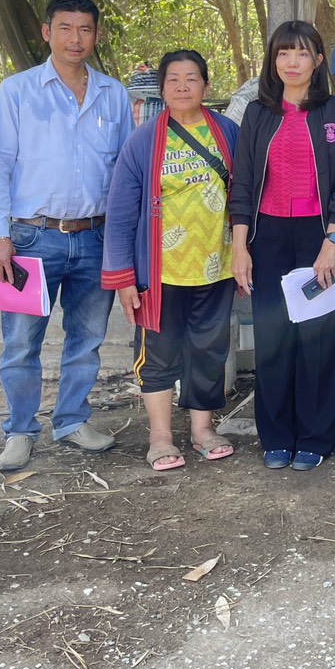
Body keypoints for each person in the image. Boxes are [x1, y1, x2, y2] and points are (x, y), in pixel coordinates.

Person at [0, 0, 135, 473]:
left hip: (95, 238)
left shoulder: (114, 94)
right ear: (47, 33)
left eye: (84, 29)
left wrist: (123, 238)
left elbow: (125, 172)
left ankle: (71, 420)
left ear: (97, 35)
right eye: (65, 28)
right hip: (30, 238)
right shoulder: (18, 91)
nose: (75, 38)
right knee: (22, 342)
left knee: (85, 338)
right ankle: (20, 430)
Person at [228, 21, 335, 472]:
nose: (291, 62)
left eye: (302, 53)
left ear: (318, 61)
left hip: (320, 236)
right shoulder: (258, 114)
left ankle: (316, 437)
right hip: (267, 237)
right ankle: (277, 435)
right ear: (273, 61)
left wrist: (332, 242)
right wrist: (240, 245)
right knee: (274, 337)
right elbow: (242, 182)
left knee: (320, 338)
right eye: (283, 53)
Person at [102, 50, 241, 471]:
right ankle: (160, 437)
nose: (183, 86)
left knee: (208, 349)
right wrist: (124, 277)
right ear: (162, 89)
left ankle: (202, 430)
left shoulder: (229, 133)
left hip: (216, 266)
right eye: (174, 79)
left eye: (192, 78)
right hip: (159, 274)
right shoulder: (143, 141)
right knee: (159, 353)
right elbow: (122, 212)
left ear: (206, 86)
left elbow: (246, 193)